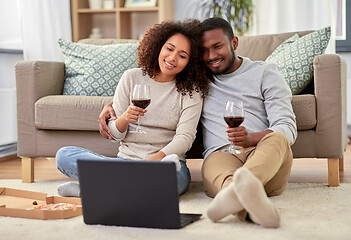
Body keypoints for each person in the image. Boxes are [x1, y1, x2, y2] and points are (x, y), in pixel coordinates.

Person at [98, 17, 297, 228]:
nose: (211, 56)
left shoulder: (265, 72)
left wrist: (252, 138)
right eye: (204, 50)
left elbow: (287, 127)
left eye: (217, 47)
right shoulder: (198, 81)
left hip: (265, 155)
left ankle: (240, 187)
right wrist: (110, 105)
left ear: (234, 43)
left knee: (277, 138)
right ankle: (247, 202)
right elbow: (157, 87)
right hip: (221, 155)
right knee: (215, 166)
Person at [55, 19, 210, 198]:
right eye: (169, 48)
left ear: (190, 62)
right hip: (126, 161)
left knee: (175, 182)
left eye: (182, 55)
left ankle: (90, 189)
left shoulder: (192, 91)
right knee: (64, 155)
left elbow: (185, 138)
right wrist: (125, 118)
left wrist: (157, 158)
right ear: (159, 46)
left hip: (166, 163)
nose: (172, 58)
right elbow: (115, 135)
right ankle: (126, 183)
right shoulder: (131, 78)